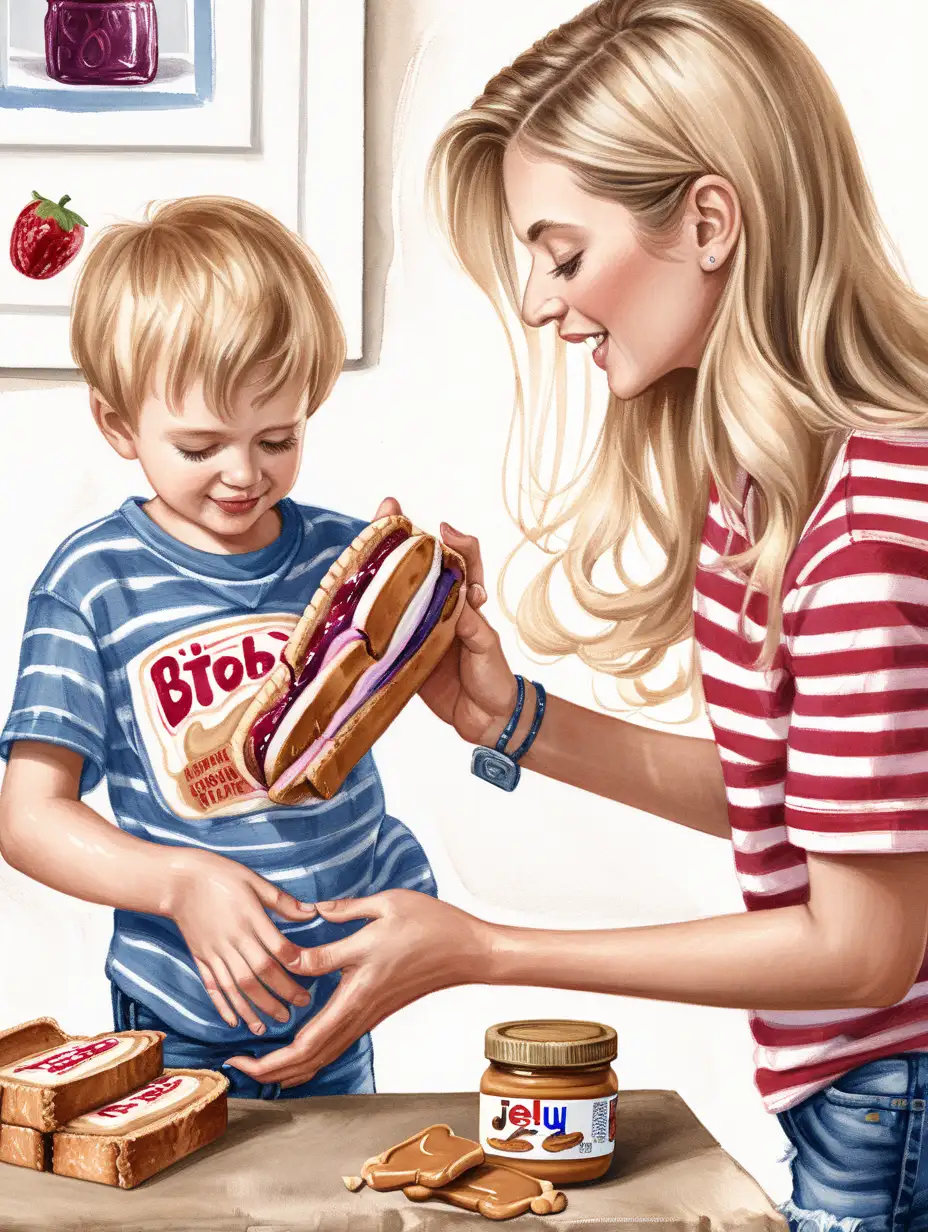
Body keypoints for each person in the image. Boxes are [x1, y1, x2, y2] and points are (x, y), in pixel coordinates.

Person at [227, 1, 928, 1227]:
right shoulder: (768, 492)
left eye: (561, 250)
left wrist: (484, 949)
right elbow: (803, 801)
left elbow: (860, 949)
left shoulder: (862, 529)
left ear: (708, 220)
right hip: (864, 1093)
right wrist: (509, 718)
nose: (546, 304)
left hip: (894, 1096)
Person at [0, 196, 437, 1100]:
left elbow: (421, 686)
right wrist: (176, 883)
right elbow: (29, 816)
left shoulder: (338, 561)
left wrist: (434, 600)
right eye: (200, 445)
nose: (245, 473)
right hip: (179, 1019)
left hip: (339, 1001)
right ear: (118, 425)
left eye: (277, 438)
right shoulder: (92, 584)